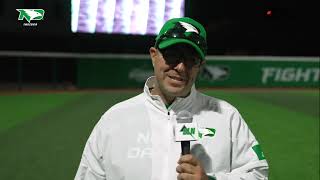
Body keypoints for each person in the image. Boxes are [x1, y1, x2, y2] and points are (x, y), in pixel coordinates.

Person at [74, 17, 269, 180]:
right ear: (153, 55)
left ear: (200, 65)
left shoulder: (226, 116)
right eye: (173, 55)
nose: (181, 67)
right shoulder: (114, 119)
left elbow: (258, 174)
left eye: (191, 59)